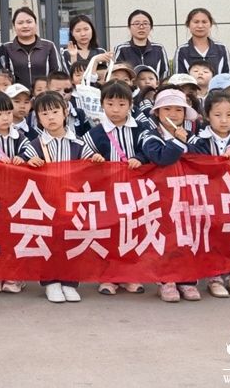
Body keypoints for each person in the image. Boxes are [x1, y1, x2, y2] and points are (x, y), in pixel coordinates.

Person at [81, 80, 147, 297]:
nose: (115, 110)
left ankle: (130, 274)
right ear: (102, 105)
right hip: (107, 192)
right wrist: (93, 158)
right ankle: (108, 276)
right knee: (109, 233)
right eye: (110, 104)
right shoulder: (95, 133)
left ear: (130, 105)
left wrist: (140, 158)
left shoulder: (140, 129)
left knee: (132, 231)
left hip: (135, 192)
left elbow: (150, 149)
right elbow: (83, 153)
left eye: (121, 104)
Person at [188, 90, 230, 299]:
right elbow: (195, 163)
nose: (224, 120)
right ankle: (214, 277)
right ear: (207, 115)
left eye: (229, 115)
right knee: (212, 235)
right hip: (209, 197)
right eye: (218, 115)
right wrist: (219, 162)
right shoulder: (199, 141)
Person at [139, 88, 201, 303]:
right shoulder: (149, 135)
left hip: (188, 195)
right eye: (167, 109)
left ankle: (188, 279)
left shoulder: (193, 136)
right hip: (160, 197)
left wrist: (185, 141)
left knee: (188, 237)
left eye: (178, 110)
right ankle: (166, 280)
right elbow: (161, 158)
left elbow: (202, 157)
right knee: (165, 238)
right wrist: (177, 142)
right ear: (157, 112)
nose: (173, 114)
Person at [27, 91, 83, 303]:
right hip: (45, 203)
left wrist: (96, 159)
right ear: (38, 118)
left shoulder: (78, 143)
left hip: (71, 203)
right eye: (44, 114)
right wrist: (28, 162)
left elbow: (93, 166)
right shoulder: (34, 145)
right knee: (47, 242)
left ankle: (70, 282)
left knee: (71, 241)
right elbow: (20, 163)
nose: (50, 117)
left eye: (55, 112)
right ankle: (50, 282)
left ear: (65, 112)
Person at [0, 91, 36, 295]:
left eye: (8, 113)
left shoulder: (19, 137)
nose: (5, 118)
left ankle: (15, 274)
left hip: (16, 195)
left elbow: (31, 151)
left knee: (15, 235)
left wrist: (23, 158)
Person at [3, 7, 64, 88]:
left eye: (29, 22)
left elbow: (56, 73)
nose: (25, 26)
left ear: (36, 24)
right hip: (17, 94)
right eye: (20, 23)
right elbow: (3, 76)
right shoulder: (6, 48)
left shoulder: (49, 46)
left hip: (44, 93)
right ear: (14, 26)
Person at [171, 8, 230, 75]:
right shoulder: (182, 50)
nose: (200, 26)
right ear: (188, 24)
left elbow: (228, 77)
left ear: (210, 24)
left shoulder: (221, 49)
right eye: (196, 22)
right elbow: (179, 78)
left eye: (204, 22)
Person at [113, 10, 170, 82]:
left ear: (151, 27)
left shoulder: (159, 48)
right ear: (129, 27)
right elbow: (116, 73)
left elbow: (165, 73)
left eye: (145, 23)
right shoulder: (121, 49)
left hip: (155, 88)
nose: (141, 27)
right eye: (137, 24)